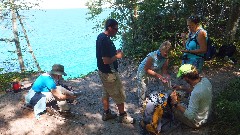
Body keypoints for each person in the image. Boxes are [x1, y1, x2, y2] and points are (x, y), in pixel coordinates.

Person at [96, 18, 134, 124]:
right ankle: (123, 116)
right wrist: (118, 56)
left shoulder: (101, 36)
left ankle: (106, 113)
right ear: (109, 28)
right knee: (119, 94)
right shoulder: (105, 40)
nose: (117, 31)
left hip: (103, 72)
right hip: (109, 73)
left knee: (106, 92)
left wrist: (114, 52)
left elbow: (104, 54)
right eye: (115, 29)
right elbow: (106, 60)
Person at [170, 64, 212, 128]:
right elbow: (193, 89)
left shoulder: (196, 93)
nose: (183, 79)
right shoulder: (205, 80)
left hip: (197, 122)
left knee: (172, 105)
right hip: (205, 116)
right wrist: (181, 87)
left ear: (186, 77)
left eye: (182, 77)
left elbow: (190, 115)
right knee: (183, 99)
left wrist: (176, 103)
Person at [137, 41, 171, 106]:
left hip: (155, 69)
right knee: (143, 86)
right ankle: (141, 101)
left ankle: (170, 94)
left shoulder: (166, 58)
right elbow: (146, 69)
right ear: (161, 50)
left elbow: (164, 69)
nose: (166, 54)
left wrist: (165, 76)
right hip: (143, 70)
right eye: (165, 52)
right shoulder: (152, 56)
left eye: (168, 52)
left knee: (167, 80)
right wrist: (158, 76)